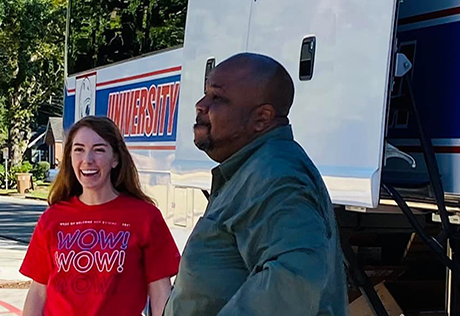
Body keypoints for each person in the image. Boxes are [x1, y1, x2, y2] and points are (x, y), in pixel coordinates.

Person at [164, 53, 348, 316]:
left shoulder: (276, 175)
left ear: (262, 118)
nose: (200, 105)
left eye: (218, 98)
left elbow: (293, 282)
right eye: (205, 94)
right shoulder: (254, 168)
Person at [20, 116, 181, 316]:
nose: (87, 160)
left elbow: (160, 293)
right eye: (78, 149)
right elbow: (38, 291)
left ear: (115, 159)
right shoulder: (52, 218)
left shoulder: (145, 217)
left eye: (99, 150)